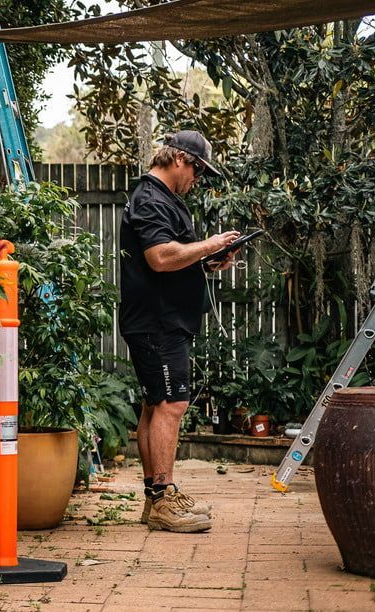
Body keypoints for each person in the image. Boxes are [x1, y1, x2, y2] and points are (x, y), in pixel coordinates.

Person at [119, 130, 240, 533]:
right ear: (179, 159)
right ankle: (164, 498)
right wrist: (210, 245)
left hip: (159, 318)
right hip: (157, 322)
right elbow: (159, 258)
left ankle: (157, 500)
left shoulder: (162, 200)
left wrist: (209, 262)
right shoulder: (151, 198)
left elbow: (174, 259)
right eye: (199, 170)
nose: (199, 180)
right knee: (171, 404)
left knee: (156, 405)